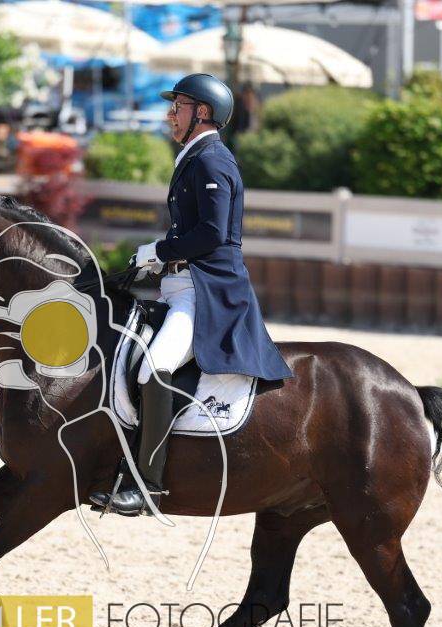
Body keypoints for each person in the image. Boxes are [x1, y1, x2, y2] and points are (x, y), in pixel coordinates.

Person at [89, 72, 294, 517]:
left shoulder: (212, 161)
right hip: (180, 285)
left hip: (205, 293)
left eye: (177, 106)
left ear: (202, 112)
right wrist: (156, 261)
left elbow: (212, 233)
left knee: (154, 369)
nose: (170, 114)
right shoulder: (195, 158)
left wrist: (160, 250)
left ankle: (147, 485)